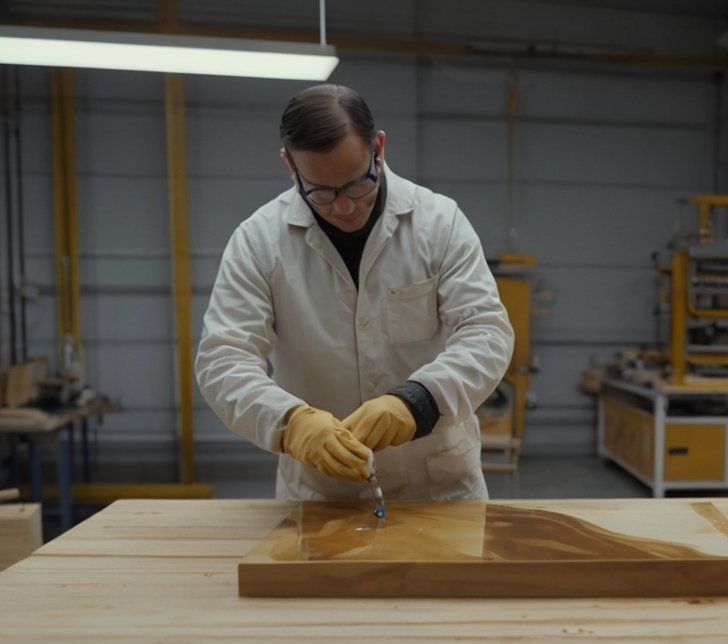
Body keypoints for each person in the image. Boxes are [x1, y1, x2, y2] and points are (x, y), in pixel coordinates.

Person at [196, 84, 514, 502]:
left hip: (439, 486)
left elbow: (487, 333)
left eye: (356, 184)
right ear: (288, 165)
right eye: (320, 191)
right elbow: (223, 359)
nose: (343, 207)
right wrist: (290, 423)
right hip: (322, 492)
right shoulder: (258, 242)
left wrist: (419, 402)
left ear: (378, 148)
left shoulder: (440, 223)